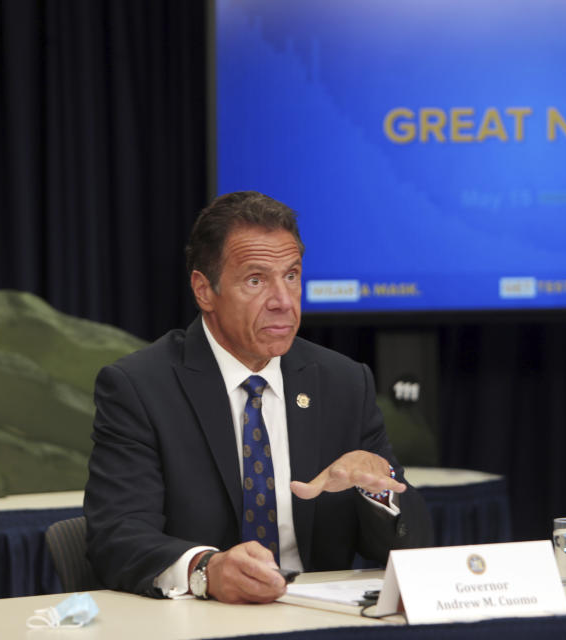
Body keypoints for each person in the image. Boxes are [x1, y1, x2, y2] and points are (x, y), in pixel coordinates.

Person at [84, 191, 433, 603]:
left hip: (318, 620)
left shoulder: (342, 382)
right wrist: (205, 570)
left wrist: (378, 490)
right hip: (198, 621)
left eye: (291, 275)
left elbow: (415, 547)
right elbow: (117, 535)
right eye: (256, 280)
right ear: (204, 290)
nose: (283, 302)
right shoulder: (140, 387)